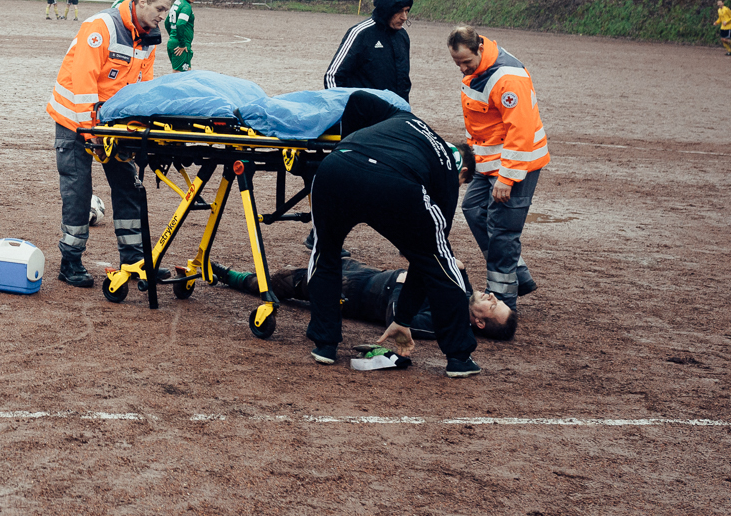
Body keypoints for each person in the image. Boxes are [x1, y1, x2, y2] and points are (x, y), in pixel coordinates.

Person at [305, 108, 482, 377]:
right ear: (463, 171)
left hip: (336, 167)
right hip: (394, 182)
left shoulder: (404, 118)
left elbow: (359, 100)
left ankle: (325, 345)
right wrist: (404, 317)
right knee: (440, 261)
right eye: (461, 183)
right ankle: (460, 358)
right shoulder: (448, 171)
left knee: (325, 252)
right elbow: (429, 260)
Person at [47, 0, 173, 287]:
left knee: (128, 186)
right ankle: (70, 261)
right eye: (159, 9)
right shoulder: (101, 26)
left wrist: (140, 128)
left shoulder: (149, 37)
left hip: (112, 124)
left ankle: (134, 260)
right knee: (78, 191)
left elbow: (143, 88)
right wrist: (91, 130)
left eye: (166, 11)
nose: (163, 16)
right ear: (141, 2)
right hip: (75, 120)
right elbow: (83, 81)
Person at [449, 25, 548, 310]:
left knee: (502, 231)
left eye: (466, 61)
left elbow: (520, 130)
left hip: (516, 164)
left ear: (480, 48)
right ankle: (518, 276)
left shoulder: (508, 78)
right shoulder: (478, 70)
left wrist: (508, 177)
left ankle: (502, 302)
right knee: (473, 208)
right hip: (489, 162)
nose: (462, 68)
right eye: (456, 63)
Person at [227, 252, 516, 345]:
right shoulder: (464, 296)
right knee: (324, 251)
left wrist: (406, 283)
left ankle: (225, 275)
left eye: (492, 305)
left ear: (479, 323)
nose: (491, 296)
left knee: (282, 282)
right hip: (366, 272)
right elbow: (455, 270)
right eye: (496, 298)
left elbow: (398, 321)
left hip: (353, 293)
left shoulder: (444, 323)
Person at [324, 0, 413, 101]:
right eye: (399, 11)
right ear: (386, 9)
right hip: (364, 112)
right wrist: (344, 108)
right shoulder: (360, 33)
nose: (404, 17)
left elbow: (403, 81)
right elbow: (332, 77)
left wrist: (403, 109)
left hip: (394, 111)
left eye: (407, 10)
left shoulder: (402, 36)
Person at [165, 0, 198, 72]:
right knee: (180, 76)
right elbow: (180, 24)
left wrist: (173, 36)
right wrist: (182, 43)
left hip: (173, 43)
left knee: (185, 73)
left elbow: (167, 22)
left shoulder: (177, 3)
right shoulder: (186, 6)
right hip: (181, 46)